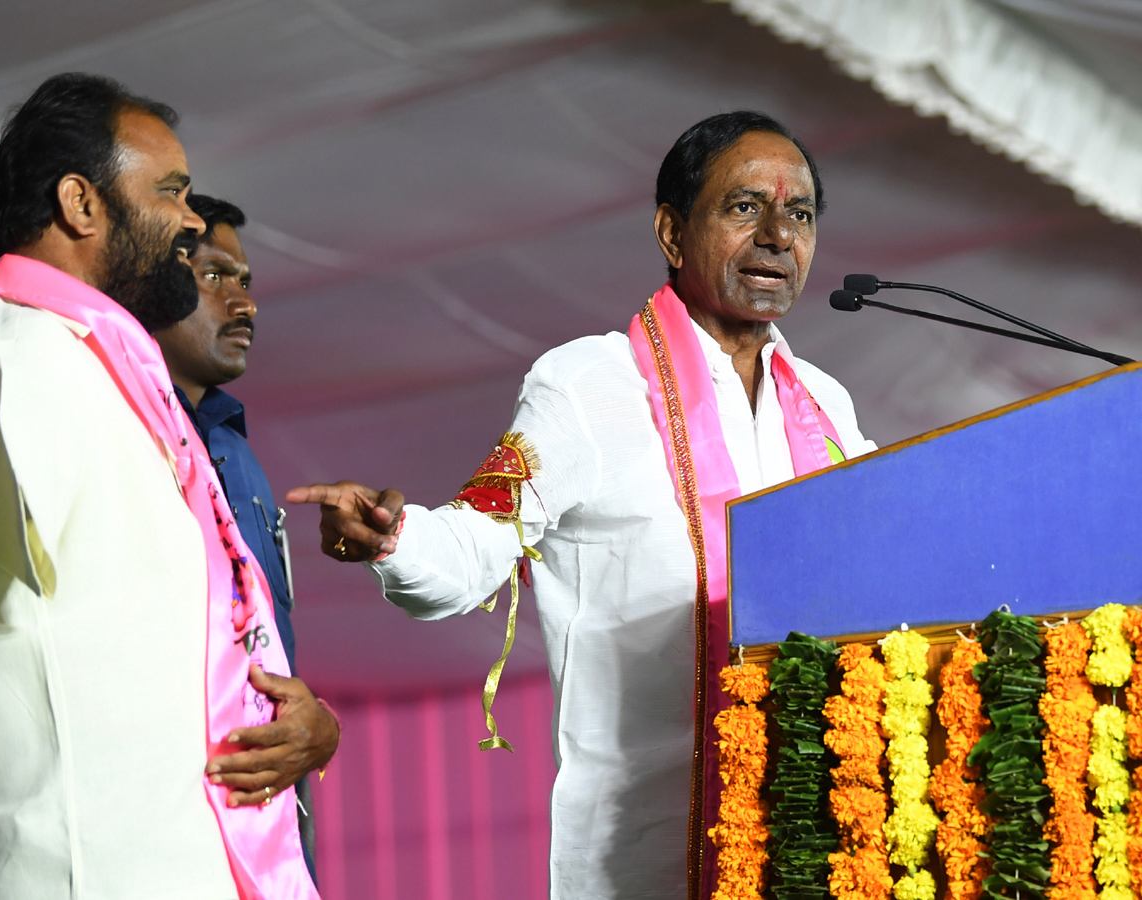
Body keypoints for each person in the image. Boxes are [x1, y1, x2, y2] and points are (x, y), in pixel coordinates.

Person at [288, 110, 878, 900]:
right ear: (672, 232)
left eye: (798, 214)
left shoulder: (827, 411)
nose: (777, 234)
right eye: (745, 208)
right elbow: (470, 551)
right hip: (646, 854)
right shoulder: (587, 385)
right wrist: (391, 537)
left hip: (816, 841)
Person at [0, 74, 318, 899]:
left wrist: (288, 724)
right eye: (171, 192)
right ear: (82, 204)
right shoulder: (24, 366)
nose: (189, 220)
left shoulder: (106, 373)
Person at [154, 193, 339, 880]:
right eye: (214, 277)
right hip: (176, 837)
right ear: (151, 280)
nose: (245, 303)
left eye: (247, 281)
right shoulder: (123, 436)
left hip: (271, 839)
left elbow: (257, 656)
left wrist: (320, 724)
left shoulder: (238, 454)